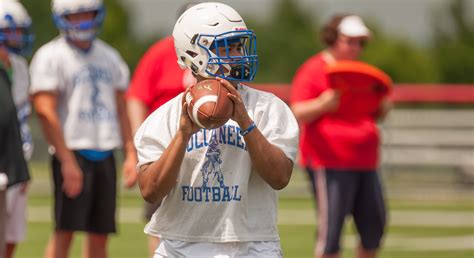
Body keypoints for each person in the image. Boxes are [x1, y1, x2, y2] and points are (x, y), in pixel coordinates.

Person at [134, 2, 299, 257]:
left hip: (253, 244)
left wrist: (246, 122)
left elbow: (279, 178)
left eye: (238, 46)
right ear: (193, 52)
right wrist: (182, 135)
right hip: (181, 246)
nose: (238, 56)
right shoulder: (165, 116)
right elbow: (150, 190)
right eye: (226, 48)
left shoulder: (268, 108)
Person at [29, 0, 135, 257]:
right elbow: (45, 110)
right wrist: (66, 160)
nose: (83, 20)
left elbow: (121, 108)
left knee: (101, 234)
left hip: (105, 150)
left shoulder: (109, 57)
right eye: (76, 15)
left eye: (88, 13)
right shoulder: (50, 56)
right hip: (73, 151)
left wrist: (131, 152)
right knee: (65, 231)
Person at [290, 14, 390, 258]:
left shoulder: (364, 74)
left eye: (361, 43)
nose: (356, 48)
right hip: (329, 161)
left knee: (374, 228)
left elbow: (373, 111)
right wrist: (322, 105)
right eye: (350, 41)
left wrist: (383, 106)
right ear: (333, 38)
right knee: (331, 233)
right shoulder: (314, 69)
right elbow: (298, 109)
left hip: (365, 161)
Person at [125, 2, 199, 256]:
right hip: (166, 146)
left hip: (206, 149)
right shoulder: (161, 52)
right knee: (159, 222)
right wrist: (139, 144)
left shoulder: (219, 52)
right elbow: (137, 96)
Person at [0, 1, 34, 257]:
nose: (17, 37)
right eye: (12, 31)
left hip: (16, 161)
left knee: (12, 236)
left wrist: (21, 164)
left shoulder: (20, 67)